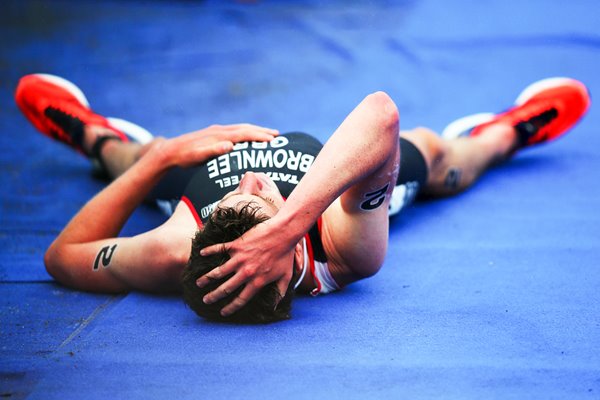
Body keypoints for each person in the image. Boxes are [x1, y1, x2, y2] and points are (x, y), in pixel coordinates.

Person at [15, 74, 590, 323]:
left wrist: (166, 156)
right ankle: (509, 132)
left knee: (134, 166)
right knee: (436, 156)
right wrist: (294, 221)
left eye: (234, 202)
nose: (252, 183)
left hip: (186, 170)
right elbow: (380, 115)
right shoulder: (347, 254)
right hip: (341, 176)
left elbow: (63, 256)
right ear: (292, 257)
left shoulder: (172, 252)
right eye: (259, 207)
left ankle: (97, 136)